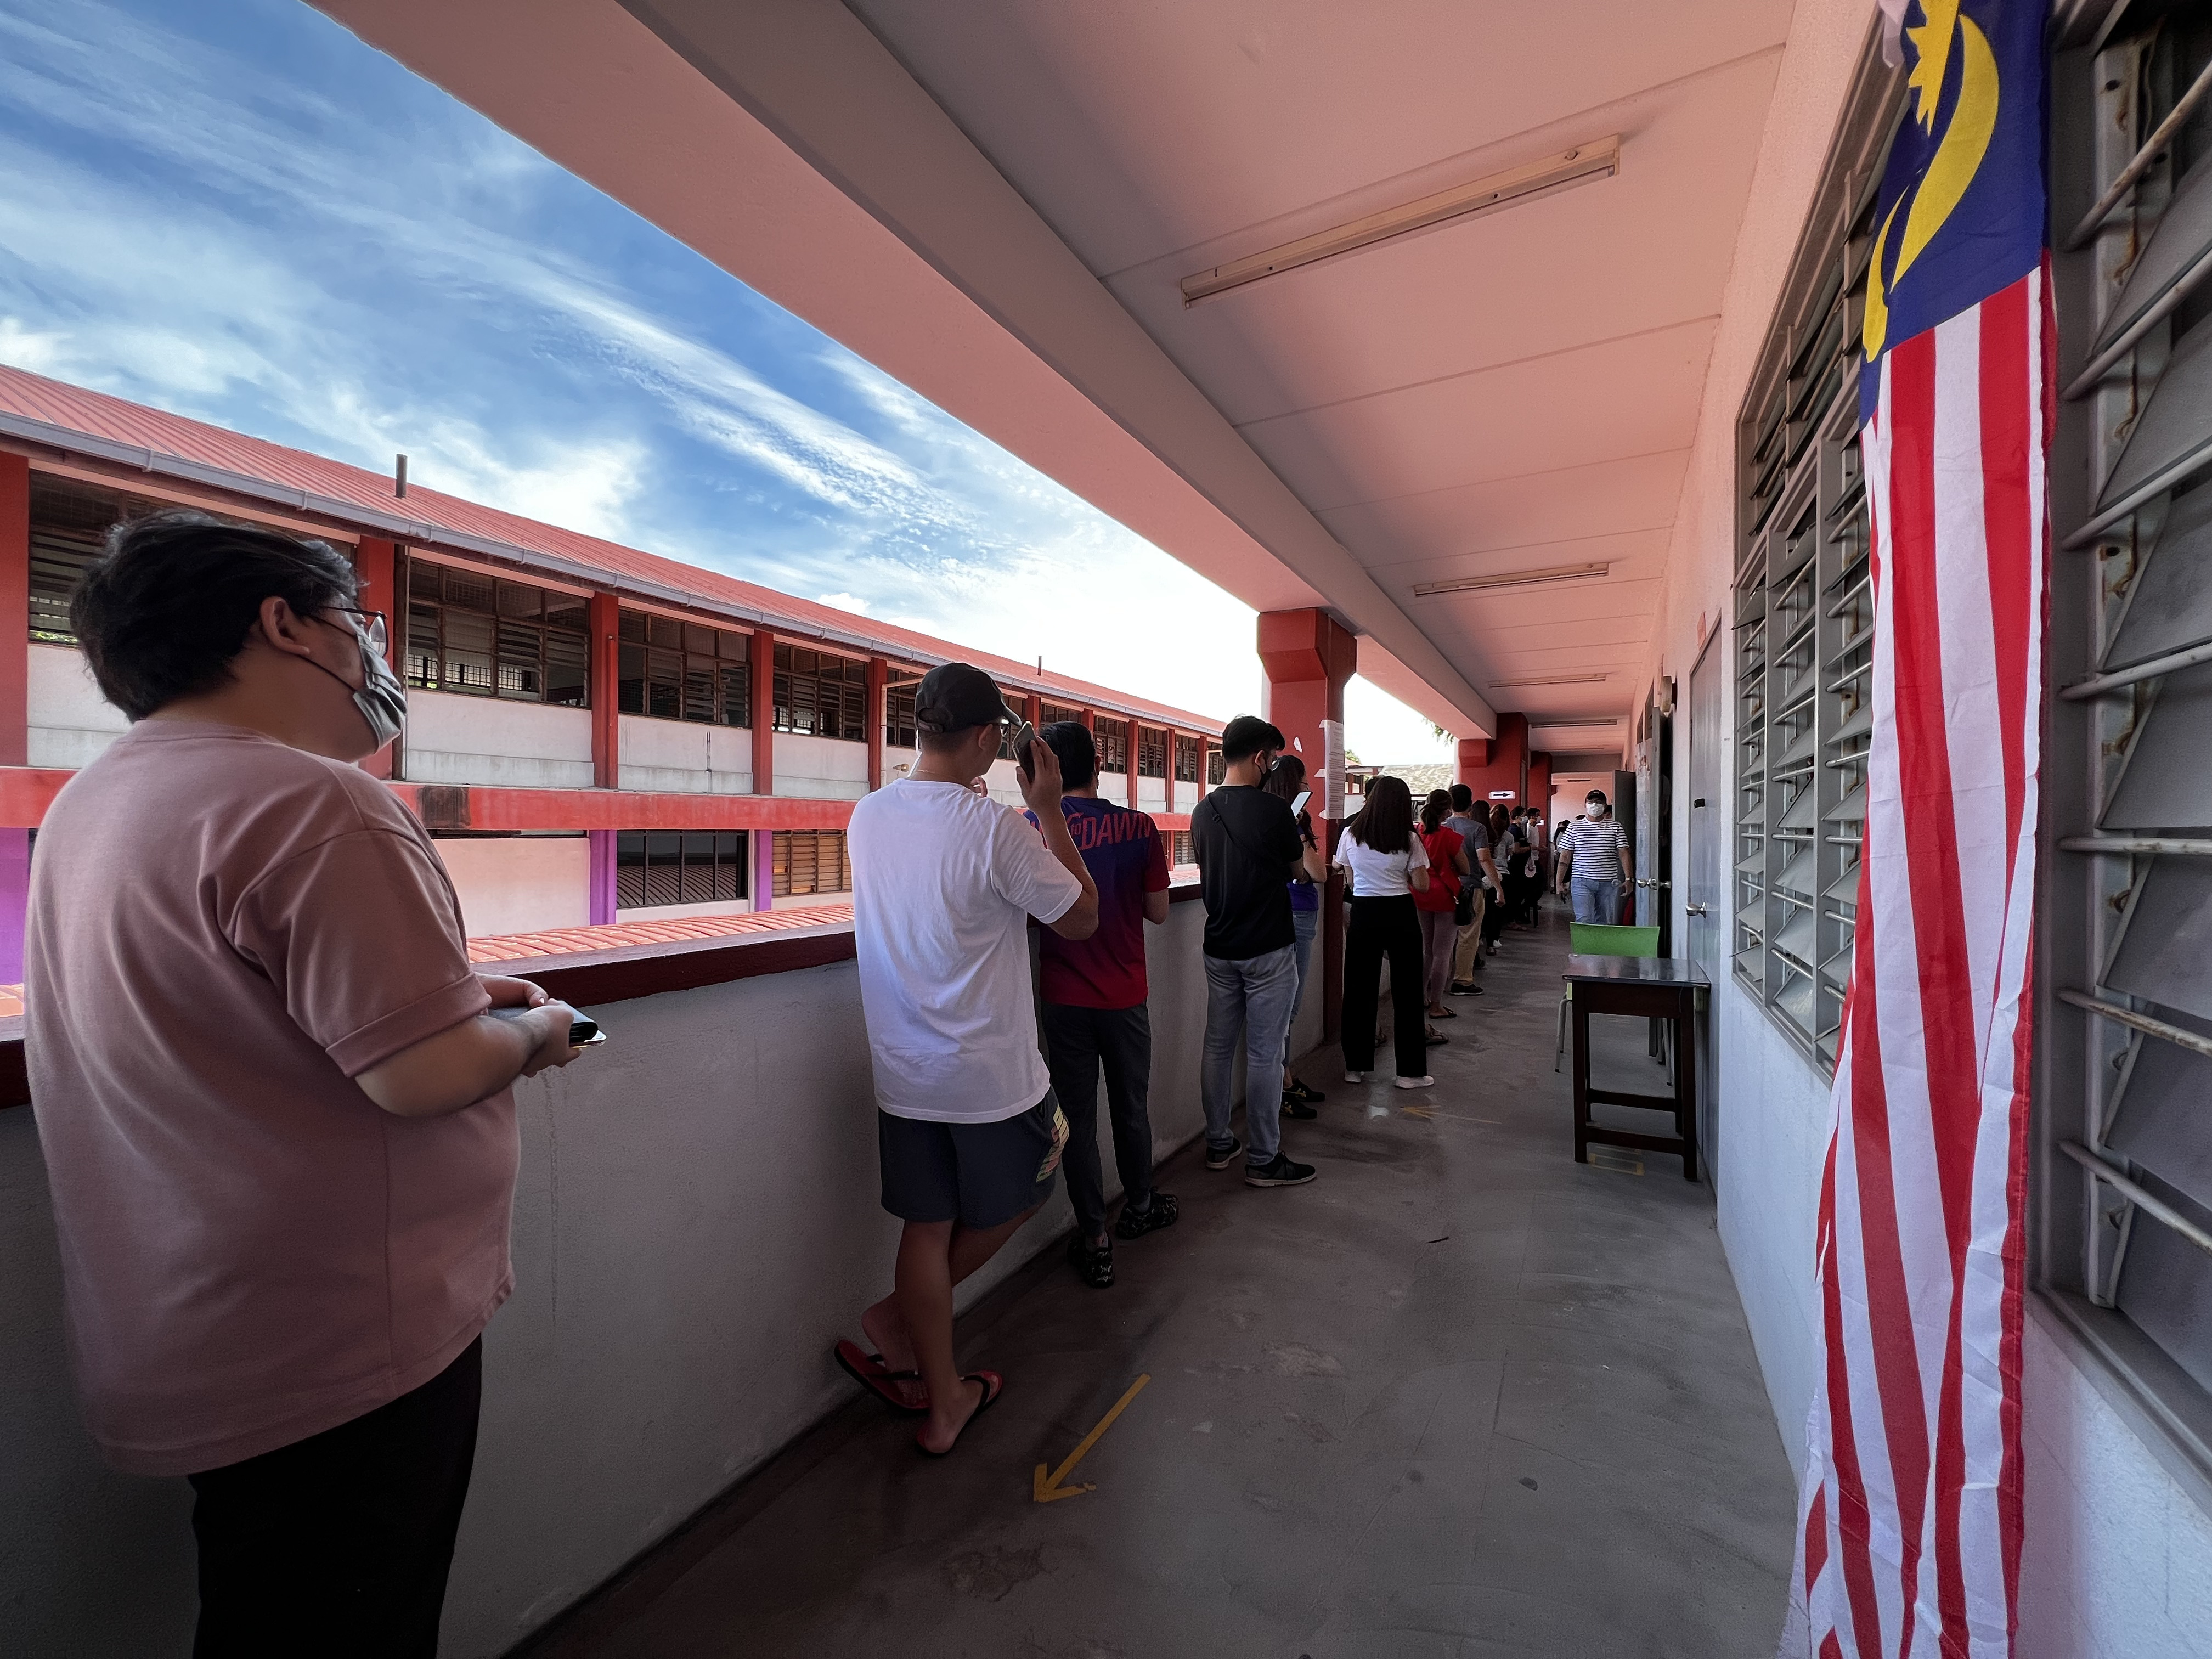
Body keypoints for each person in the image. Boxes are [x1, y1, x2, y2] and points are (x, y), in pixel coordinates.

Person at [25, 512, 592, 1657]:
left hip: (196, 1317)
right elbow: (422, 1073)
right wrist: (538, 1034)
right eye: (362, 627)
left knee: (264, 1613)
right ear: (283, 624)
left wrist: (448, 990)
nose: (376, 661)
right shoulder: (316, 804)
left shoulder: (93, 804)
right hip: (343, 1343)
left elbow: (230, 1005)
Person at [842, 663, 1100, 1454]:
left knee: (928, 1221)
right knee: (1035, 1178)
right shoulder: (997, 831)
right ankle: (908, 1333)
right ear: (991, 740)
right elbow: (1083, 918)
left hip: (903, 1067)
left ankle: (937, 1384)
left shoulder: (868, 815)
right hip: (988, 1076)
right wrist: (1049, 812)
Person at [1025, 721, 1177, 1291]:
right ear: (1096, 764)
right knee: (1131, 1109)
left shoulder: (1031, 828)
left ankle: (1095, 1240)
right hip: (1124, 997)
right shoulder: (1139, 826)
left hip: (1063, 1001)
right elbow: (1160, 912)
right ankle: (1140, 1206)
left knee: (1078, 1124)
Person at [1190, 715, 1329, 1188]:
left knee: (1217, 1046)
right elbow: (1299, 872)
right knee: (1266, 1055)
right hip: (1269, 948)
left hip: (1219, 946)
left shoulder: (1202, 810)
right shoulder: (1276, 812)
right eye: (1271, 757)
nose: (1273, 765)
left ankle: (1218, 1142)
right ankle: (1264, 1159)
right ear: (1259, 758)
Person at [1335, 775, 1434, 1090]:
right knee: (1407, 993)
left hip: (1364, 912)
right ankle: (1410, 1073)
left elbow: (1347, 877)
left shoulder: (1350, 835)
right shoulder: (1409, 839)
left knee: (1359, 990)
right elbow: (1422, 884)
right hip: (1400, 914)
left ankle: (1354, 1067)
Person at [1262, 754, 1327, 1119]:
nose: (1308, 788)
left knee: (1290, 1005)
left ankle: (1286, 1077)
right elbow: (1317, 872)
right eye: (1303, 782)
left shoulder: (1288, 821)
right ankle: (1282, 1084)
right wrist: (1304, 839)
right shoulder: (1289, 824)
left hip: (1296, 913)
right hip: (1295, 914)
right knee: (1288, 1005)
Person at [1415, 789, 1470, 1032]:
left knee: (1427, 949)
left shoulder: (1416, 832)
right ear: (1447, 809)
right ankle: (1437, 1004)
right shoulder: (1449, 836)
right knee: (1443, 953)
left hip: (1420, 893)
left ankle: (1420, 997)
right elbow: (1466, 868)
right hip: (1446, 896)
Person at [1446, 785, 1497, 995]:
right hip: (1470, 887)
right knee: (1468, 935)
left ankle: (1439, 978)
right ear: (1470, 803)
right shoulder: (1477, 828)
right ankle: (1463, 981)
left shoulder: (1441, 827)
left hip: (1446, 887)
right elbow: (1484, 858)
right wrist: (1498, 887)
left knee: (1445, 936)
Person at [1558, 788, 1632, 924]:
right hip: (1581, 881)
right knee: (1583, 919)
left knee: (1604, 921)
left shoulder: (1616, 827)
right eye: (1591, 801)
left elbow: (1624, 852)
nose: (1594, 805)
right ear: (1585, 804)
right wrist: (1559, 882)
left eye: (1598, 802)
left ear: (1605, 805)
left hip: (1608, 882)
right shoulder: (1574, 828)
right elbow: (1565, 856)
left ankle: (1600, 946)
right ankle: (1584, 947)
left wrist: (1629, 878)